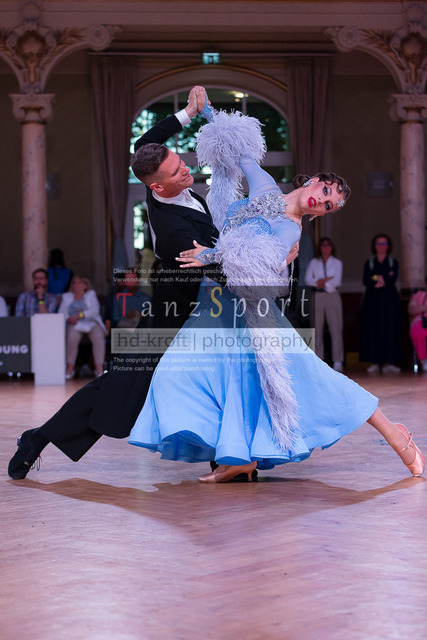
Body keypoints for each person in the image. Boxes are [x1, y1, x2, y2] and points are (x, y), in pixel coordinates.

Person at [128, 106, 424, 483]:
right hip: (214, 305)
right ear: (314, 180)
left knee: (313, 376)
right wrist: (206, 112)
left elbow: (255, 268)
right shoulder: (265, 184)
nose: (323, 201)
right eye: (326, 191)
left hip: (251, 311)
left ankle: (395, 435)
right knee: (183, 375)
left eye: (329, 205)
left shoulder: (290, 231)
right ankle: (239, 457)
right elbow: (238, 146)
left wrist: (212, 256)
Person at [7, 85, 223, 480]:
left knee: (199, 376)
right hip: (174, 317)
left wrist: (189, 114)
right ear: (156, 187)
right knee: (123, 390)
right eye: (177, 171)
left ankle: (228, 457)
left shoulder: (156, 171)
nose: (186, 169)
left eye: (180, 161)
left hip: (195, 311)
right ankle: (37, 438)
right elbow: (221, 264)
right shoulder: (174, 230)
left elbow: (146, 142)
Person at [359, 234, 402, 374]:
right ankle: (374, 362)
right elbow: (367, 279)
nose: (381, 246)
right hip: (372, 302)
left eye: (384, 243)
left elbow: (391, 279)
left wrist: (377, 278)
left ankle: (389, 362)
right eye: (379, 243)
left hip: (390, 303)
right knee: (373, 330)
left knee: (390, 330)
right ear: (374, 246)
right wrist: (380, 278)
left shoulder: (393, 262)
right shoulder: (370, 263)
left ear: (388, 246)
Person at [305, 237, 344, 371]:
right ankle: (318, 359)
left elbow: (336, 281)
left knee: (335, 327)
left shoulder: (337, 263)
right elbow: (308, 279)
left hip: (332, 296)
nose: (326, 247)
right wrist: (323, 281)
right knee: (316, 328)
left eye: (329, 245)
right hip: (317, 295)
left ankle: (338, 360)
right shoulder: (314, 262)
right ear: (320, 248)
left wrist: (321, 282)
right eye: (324, 245)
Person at [58, 276, 108, 379]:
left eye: (79, 283)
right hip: (74, 324)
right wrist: (69, 319)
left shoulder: (91, 294)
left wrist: (78, 316)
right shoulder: (66, 296)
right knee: (72, 337)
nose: (75, 285)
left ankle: (99, 369)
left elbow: (94, 311)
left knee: (98, 336)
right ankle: (69, 369)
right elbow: (61, 313)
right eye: (74, 283)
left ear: (85, 285)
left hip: (91, 323)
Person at [408, 288, 427, 373]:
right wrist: (424, 308)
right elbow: (411, 310)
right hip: (421, 321)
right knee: (418, 331)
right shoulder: (419, 295)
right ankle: (424, 360)